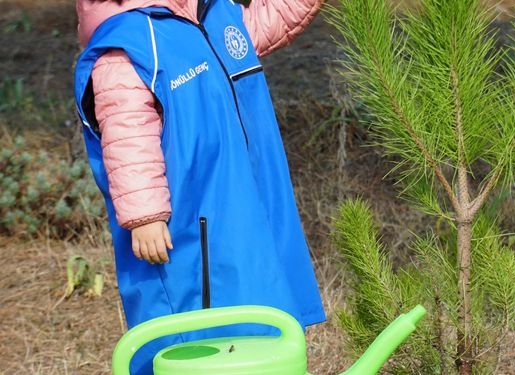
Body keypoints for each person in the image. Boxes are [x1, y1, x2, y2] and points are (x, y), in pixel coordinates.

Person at [74, 0, 326, 373]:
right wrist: (145, 215)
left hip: (240, 213)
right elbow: (127, 133)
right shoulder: (128, 45)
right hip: (188, 235)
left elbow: (270, 20)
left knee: (257, 324)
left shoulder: (212, 14)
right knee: (202, 339)